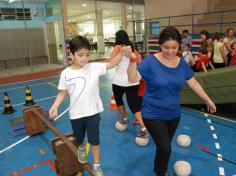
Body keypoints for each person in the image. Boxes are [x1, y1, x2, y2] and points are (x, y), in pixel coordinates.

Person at [127, 27, 216, 176]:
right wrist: (132, 60)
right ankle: (162, 172)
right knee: (166, 148)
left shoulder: (182, 64)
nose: (170, 51)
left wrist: (208, 99)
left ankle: (158, 167)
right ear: (160, 45)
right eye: (166, 47)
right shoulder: (150, 62)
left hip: (174, 114)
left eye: (174, 47)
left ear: (179, 46)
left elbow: (193, 83)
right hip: (152, 113)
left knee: (164, 147)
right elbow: (132, 79)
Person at [49, 35, 126, 176]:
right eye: (80, 55)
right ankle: (81, 148)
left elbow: (111, 64)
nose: (85, 58)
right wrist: (55, 106)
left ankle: (97, 165)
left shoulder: (93, 67)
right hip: (76, 115)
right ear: (71, 55)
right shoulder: (66, 74)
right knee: (79, 140)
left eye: (87, 54)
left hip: (93, 113)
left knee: (95, 141)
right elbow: (62, 93)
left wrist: (121, 53)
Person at [108, 30, 148, 138]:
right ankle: (143, 128)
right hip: (133, 80)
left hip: (119, 81)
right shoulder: (133, 48)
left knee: (118, 100)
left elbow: (111, 62)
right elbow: (139, 62)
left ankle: (124, 118)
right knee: (134, 105)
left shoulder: (118, 47)